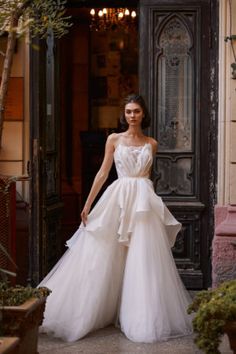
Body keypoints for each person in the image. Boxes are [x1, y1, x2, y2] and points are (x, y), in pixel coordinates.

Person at [39, 94, 193, 343]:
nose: (132, 116)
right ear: (124, 115)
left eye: (137, 111)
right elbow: (103, 172)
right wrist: (88, 204)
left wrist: (150, 202)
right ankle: (94, 309)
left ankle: (140, 316)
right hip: (118, 198)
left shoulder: (151, 143)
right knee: (103, 252)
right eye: (129, 111)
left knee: (142, 258)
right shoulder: (113, 139)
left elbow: (148, 176)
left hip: (143, 202)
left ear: (144, 114)